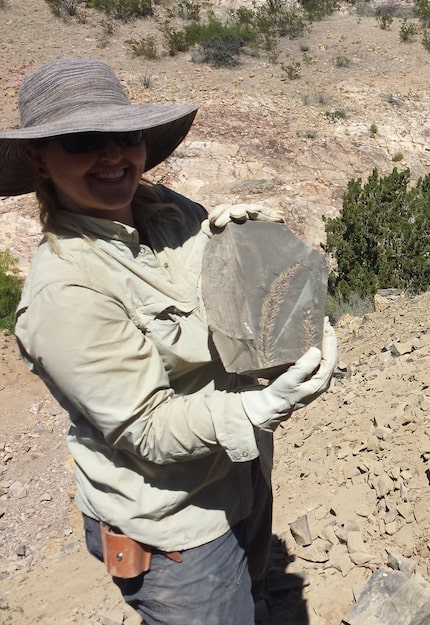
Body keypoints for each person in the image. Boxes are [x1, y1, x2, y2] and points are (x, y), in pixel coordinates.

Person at [0, 57, 337, 625]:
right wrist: (263, 406)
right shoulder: (66, 294)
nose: (113, 156)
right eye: (84, 141)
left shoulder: (171, 211)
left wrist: (240, 238)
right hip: (177, 529)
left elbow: (220, 294)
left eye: (125, 136)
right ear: (40, 157)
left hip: (241, 478)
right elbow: (147, 429)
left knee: (252, 601)